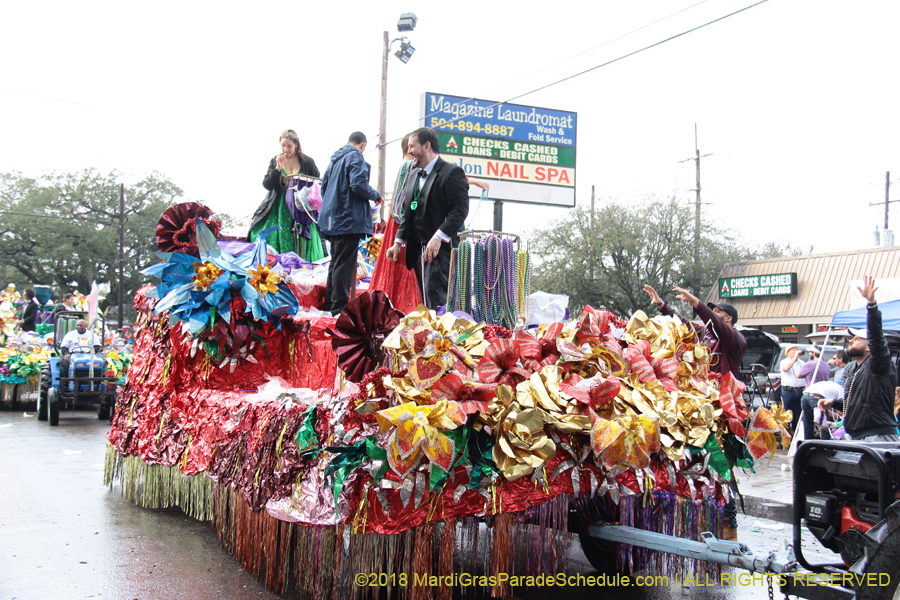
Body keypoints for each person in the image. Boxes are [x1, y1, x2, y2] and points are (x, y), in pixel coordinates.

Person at [643, 284, 746, 541]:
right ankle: (701, 519)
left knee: (723, 468)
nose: (711, 316)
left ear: (728, 318)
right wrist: (662, 306)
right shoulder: (706, 337)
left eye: (716, 312)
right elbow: (684, 325)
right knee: (700, 465)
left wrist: (698, 303)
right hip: (699, 409)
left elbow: (715, 326)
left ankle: (728, 525)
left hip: (722, 412)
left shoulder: (735, 340)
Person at [386, 127, 470, 309]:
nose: (409, 152)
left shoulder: (452, 172)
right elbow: (408, 211)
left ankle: (441, 337)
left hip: (443, 250)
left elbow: (459, 211)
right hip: (418, 251)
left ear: (426, 146)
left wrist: (438, 237)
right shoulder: (413, 174)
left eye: (411, 147)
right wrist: (397, 242)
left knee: (438, 300)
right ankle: (432, 335)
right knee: (426, 299)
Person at [825, 276, 900, 442]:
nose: (851, 340)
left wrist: (872, 305)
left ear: (869, 347)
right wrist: (834, 403)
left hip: (877, 437)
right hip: (859, 437)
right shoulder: (855, 369)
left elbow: (877, 338)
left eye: (857, 338)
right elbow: (860, 401)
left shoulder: (879, 365)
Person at [319, 132, 382, 315]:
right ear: (363, 145)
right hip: (348, 219)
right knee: (344, 265)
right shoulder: (355, 156)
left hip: (333, 219)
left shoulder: (334, 160)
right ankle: (338, 308)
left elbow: (323, 188)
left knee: (336, 263)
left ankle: (331, 305)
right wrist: (375, 195)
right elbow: (358, 184)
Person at [248, 130, 323, 259]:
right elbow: (267, 185)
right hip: (279, 205)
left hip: (300, 206)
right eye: (283, 145)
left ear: (296, 145)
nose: (285, 149)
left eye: (289, 146)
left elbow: (316, 183)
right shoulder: (275, 160)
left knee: (302, 237)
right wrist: (277, 168)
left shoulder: (307, 162)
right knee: (271, 234)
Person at [58, 319, 103, 385]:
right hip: (73, 354)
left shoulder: (92, 334)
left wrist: (93, 350)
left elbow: (97, 346)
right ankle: (65, 382)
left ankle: (99, 381)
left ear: (86, 326)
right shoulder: (70, 335)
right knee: (63, 362)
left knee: (103, 360)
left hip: (89, 354)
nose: (79, 327)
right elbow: (64, 347)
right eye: (77, 325)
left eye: (81, 325)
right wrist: (66, 353)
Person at [779, 345, 806, 435]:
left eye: (796, 350)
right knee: (787, 413)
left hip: (799, 390)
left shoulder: (802, 363)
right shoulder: (784, 362)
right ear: (788, 353)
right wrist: (794, 358)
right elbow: (786, 368)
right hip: (788, 391)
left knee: (798, 413)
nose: (795, 352)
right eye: (793, 350)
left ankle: (797, 434)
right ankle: (786, 436)